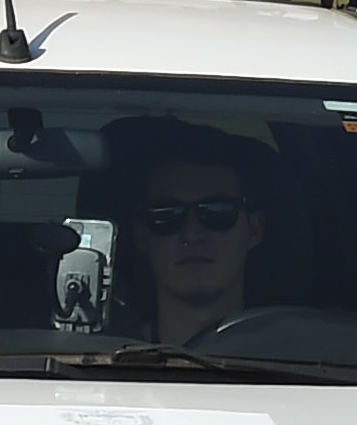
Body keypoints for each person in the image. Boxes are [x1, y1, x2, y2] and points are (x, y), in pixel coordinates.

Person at [109, 123, 271, 348]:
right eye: (166, 216)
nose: (193, 234)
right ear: (141, 234)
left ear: (254, 228)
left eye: (217, 212)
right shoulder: (97, 362)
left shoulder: (308, 356)